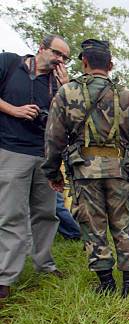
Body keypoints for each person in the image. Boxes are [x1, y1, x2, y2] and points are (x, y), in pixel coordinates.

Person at [42, 38, 129, 297]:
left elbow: (54, 136)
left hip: (84, 171)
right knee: (124, 224)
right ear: (110, 65)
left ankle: (105, 284)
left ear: (85, 62)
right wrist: (126, 147)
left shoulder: (67, 92)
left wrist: (52, 171)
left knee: (93, 226)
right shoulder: (125, 95)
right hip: (120, 169)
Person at [0, 34, 71, 300]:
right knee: (12, 215)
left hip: (43, 154)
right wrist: (13, 110)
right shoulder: (9, 64)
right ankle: (5, 276)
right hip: (11, 150)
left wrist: (66, 91)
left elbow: (63, 120)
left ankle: (45, 264)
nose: (60, 60)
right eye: (57, 54)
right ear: (41, 49)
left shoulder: (56, 83)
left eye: (65, 58)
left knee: (46, 213)